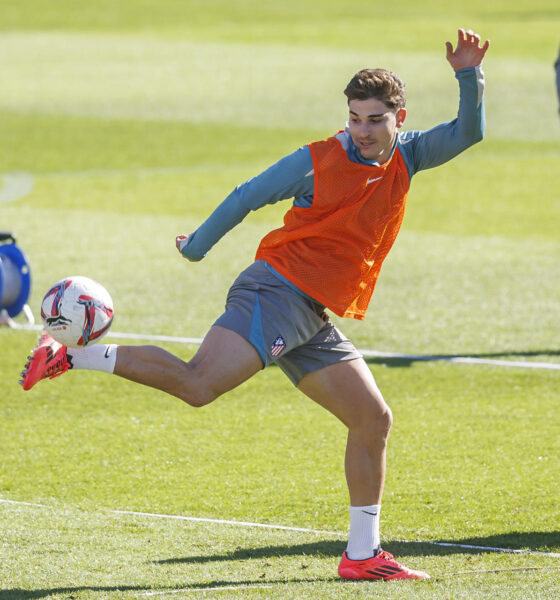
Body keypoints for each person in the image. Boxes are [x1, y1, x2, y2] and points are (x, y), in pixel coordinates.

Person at [20, 28, 489, 581]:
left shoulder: (409, 158)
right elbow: (247, 195)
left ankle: (362, 554)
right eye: (354, 118)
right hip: (276, 290)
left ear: (399, 119)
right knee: (199, 385)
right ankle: (68, 356)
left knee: (371, 419)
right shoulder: (316, 160)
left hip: (310, 315)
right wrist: (196, 246)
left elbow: (468, 133)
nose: (361, 130)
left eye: (374, 120)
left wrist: (469, 75)